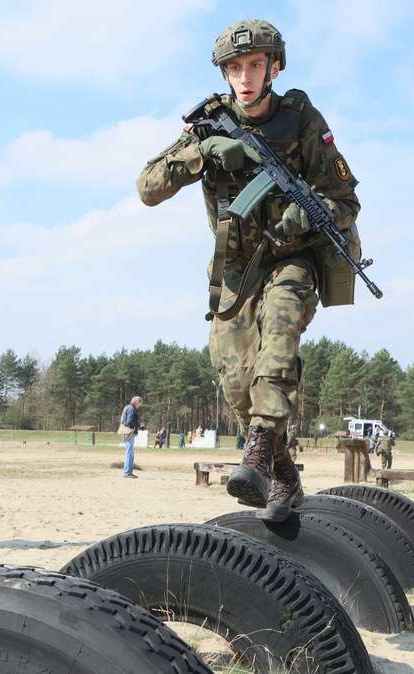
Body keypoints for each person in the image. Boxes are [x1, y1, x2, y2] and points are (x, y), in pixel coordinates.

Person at [138, 18, 362, 522]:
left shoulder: (302, 119)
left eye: (255, 65)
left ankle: (259, 449)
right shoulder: (209, 122)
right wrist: (201, 153)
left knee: (278, 344)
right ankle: (282, 471)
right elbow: (148, 187)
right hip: (237, 270)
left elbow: (345, 199)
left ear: (274, 66)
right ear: (224, 74)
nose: (245, 76)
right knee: (236, 379)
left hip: (291, 259)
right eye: (235, 67)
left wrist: (306, 212)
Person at [118, 396, 143, 478]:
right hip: (129, 432)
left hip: (127, 432)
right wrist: (139, 425)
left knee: (130, 453)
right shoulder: (131, 409)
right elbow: (129, 421)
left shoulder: (127, 407)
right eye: (140, 403)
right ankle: (127, 472)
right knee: (129, 453)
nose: (139, 406)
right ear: (137, 402)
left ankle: (129, 472)